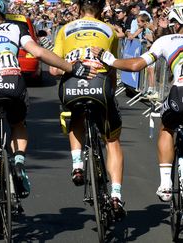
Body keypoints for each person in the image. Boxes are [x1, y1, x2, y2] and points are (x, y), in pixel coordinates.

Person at [0, 0, 95, 215]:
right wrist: (72, 68)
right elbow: (39, 53)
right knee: (18, 123)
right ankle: (19, 162)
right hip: (12, 85)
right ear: (3, 13)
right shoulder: (16, 28)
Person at [92, 2, 183, 227]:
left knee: (167, 127)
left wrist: (109, 59)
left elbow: (137, 65)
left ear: (176, 23)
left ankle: (166, 185)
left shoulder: (166, 40)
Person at [49, 0, 126, 219]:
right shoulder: (109, 30)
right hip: (99, 83)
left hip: (72, 85)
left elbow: (54, 70)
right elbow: (112, 67)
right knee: (112, 141)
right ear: (101, 11)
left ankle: (77, 165)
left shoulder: (65, 29)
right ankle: (116, 196)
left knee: (75, 116)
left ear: (79, 9)